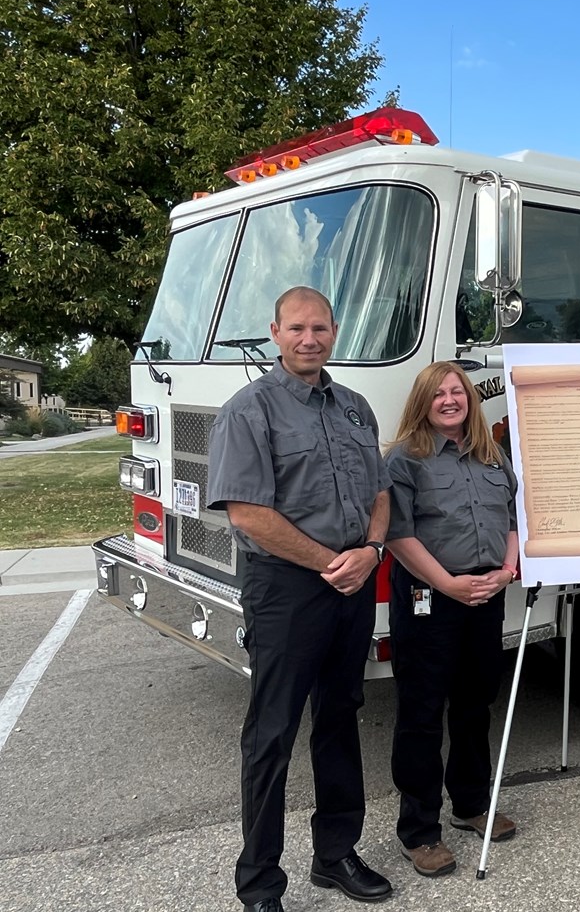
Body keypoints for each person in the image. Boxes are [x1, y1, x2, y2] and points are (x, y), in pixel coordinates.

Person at [207, 286, 393, 912]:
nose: (308, 339)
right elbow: (247, 513)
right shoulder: (249, 410)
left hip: (353, 576)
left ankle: (334, 855)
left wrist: (369, 551)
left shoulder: (356, 408)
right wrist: (329, 563)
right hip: (287, 586)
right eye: (296, 329)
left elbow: (381, 491)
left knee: (340, 717)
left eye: (320, 328)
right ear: (275, 332)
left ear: (335, 330)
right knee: (273, 731)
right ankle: (259, 883)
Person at [383, 362, 520, 879]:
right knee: (420, 712)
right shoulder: (403, 460)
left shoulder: (491, 455)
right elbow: (398, 534)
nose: (449, 400)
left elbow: (509, 516)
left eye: (457, 392)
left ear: (470, 399)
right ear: (423, 401)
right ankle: (419, 832)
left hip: (485, 594)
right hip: (430, 596)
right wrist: (448, 584)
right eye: (438, 393)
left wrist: (507, 570)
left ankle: (470, 806)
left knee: (475, 702)